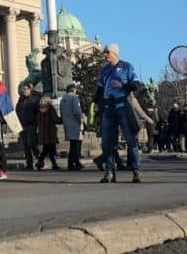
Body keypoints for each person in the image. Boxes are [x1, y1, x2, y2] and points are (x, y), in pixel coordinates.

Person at [93, 43, 143, 183]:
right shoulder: (105, 70)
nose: (105, 55)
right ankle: (109, 171)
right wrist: (95, 103)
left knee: (130, 139)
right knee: (106, 141)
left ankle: (136, 171)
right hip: (108, 108)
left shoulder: (126, 66)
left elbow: (137, 85)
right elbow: (100, 89)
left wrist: (123, 86)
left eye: (107, 52)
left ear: (114, 53)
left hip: (122, 106)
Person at [15, 82, 41, 170]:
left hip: (31, 125)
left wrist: (37, 124)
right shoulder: (21, 100)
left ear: (30, 89)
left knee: (31, 143)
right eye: (23, 89)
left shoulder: (35, 99)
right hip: (22, 125)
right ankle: (29, 163)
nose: (24, 91)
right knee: (25, 145)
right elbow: (17, 110)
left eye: (26, 89)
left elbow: (38, 112)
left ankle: (39, 159)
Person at [60, 84, 84, 170]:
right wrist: (81, 121)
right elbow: (77, 111)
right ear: (73, 89)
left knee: (73, 144)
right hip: (75, 123)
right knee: (75, 145)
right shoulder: (74, 98)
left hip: (67, 123)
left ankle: (74, 162)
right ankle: (73, 163)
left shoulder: (63, 99)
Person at [36, 97, 61, 170]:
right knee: (48, 150)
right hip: (50, 132)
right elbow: (55, 119)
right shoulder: (51, 109)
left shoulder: (39, 111)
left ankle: (53, 164)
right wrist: (61, 120)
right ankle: (40, 162)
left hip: (43, 133)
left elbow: (37, 120)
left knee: (47, 149)